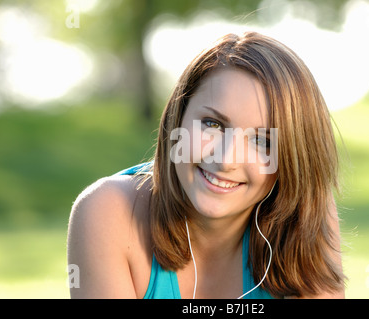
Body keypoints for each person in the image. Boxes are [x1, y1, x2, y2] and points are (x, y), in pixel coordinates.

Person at [67, 31, 346, 299]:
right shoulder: (108, 212)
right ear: (178, 118)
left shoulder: (305, 215)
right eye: (212, 124)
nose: (225, 160)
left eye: (261, 141)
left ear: (294, 160)